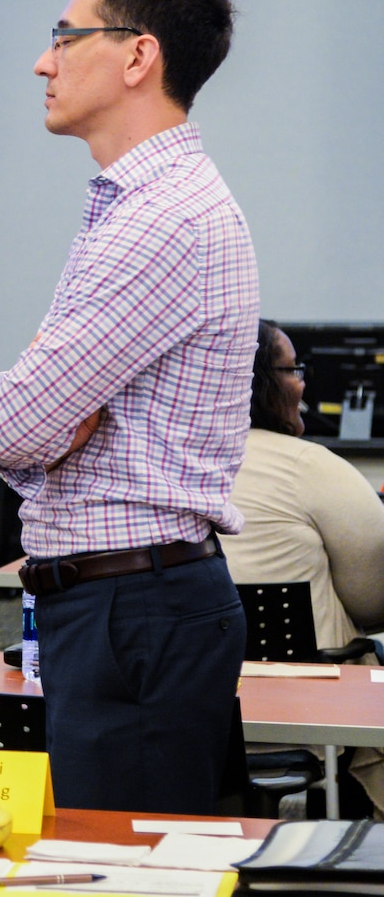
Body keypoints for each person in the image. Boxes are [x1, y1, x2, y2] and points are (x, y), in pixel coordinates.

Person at [0, 0, 257, 814]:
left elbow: (14, 426)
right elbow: (44, 416)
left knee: (125, 871)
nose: (42, 60)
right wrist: (52, 403)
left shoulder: (161, 219)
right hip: (132, 605)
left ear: (138, 57)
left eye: (66, 36)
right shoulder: (147, 205)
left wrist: (35, 400)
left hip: (131, 612)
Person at [222, 320, 384, 816]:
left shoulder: (178, 464)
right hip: (312, 706)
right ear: (266, 384)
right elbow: (374, 598)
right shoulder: (310, 466)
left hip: (198, 706)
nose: (303, 382)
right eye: (293, 370)